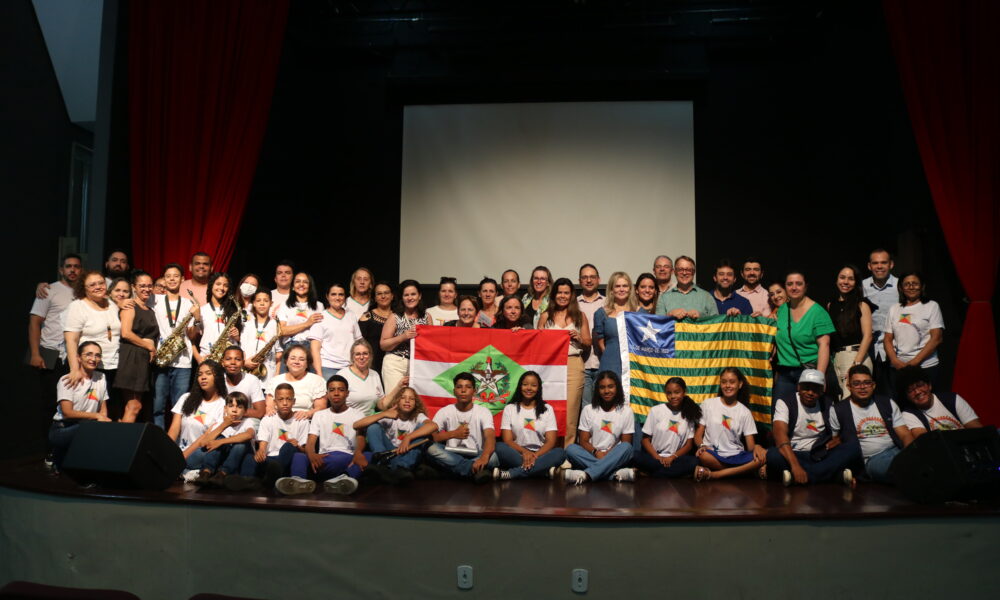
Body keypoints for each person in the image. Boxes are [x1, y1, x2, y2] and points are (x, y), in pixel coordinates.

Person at [764, 369, 861, 487]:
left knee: (853, 447)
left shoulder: (828, 403)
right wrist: (795, 466)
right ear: (798, 387)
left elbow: (838, 434)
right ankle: (830, 476)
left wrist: (837, 440)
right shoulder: (785, 402)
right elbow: (780, 435)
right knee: (773, 455)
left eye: (815, 389)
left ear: (821, 391)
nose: (810, 392)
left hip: (819, 454)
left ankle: (804, 477)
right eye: (806, 388)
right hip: (793, 453)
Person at [278, 375, 370, 496]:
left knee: (367, 455)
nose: (336, 393)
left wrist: (358, 452)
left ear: (347, 393)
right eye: (332, 390)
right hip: (323, 459)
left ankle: (345, 480)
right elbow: (311, 441)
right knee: (299, 456)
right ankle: (299, 482)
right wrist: (311, 455)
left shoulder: (358, 414)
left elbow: (361, 438)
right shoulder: (319, 415)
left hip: (346, 458)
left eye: (341, 390)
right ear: (327, 394)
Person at [829, 365, 913, 483]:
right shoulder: (838, 409)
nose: (862, 387)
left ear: (873, 385)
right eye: (856, 383)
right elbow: (835, 441)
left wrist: (911, 454)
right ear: (849, 387)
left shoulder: (887, 403)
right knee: (898, 469)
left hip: (896, 451)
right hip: (871, 460)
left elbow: (905, 434)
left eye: (867, 383)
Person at [28, 253, 81, 437]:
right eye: (68, 266)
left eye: (76, 266)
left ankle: (68, 443)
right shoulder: (49, 290)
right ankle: (49, 446)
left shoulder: (84, 291)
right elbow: (34, 323)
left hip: (74, 355)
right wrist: (35, 353)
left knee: (73, 402)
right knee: (50, 401)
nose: (72, 270)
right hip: (50, 353)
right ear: (61, 270)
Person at [538, 277, 591, 447]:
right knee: (550, 409)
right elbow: (536, 342)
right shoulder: (546, 316)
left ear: (572, 295)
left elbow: (588, 342)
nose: (562, 296)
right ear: (554, 295)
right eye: (559, 292)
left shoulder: (580, 316)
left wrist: (579, 338)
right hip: (550, 367)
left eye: (566, 293)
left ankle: (567, 451)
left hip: (573, 365)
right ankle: (549, 450)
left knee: (571, 412)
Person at [772, 271, 835, 402]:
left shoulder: (818, 312)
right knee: (780, 409)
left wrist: (820, 377)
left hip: (809, 372)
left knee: (808, 412)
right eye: (790, 284)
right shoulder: (782, 310)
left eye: (798, 284)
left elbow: (824, 345)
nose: (794, 287)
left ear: (805, 286)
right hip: (785, 373)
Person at [354, 386, 438, 483]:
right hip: (388, 453)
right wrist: (383, 414)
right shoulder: (389, 415)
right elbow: (356, 425)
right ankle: (383, 464)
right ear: (397, 401)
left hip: (407, 453)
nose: (407, 401)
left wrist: (408, 437)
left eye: (411, 399)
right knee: (373, 427)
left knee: (423, 430)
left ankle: (400, 468)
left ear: (416, 403)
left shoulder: (418, 416)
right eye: (403, 397)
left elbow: (433, 426)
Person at [564, 371, 635, 484]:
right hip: (592, 453)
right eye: (602, 387)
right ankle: (614, 474)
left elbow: (626, 442)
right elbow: (583, 441)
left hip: (614, 455)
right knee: (571, 449)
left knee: (627, 448)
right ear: (597, 390)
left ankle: (586, 475)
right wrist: (596, 452)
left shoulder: (626, 411)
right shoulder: (588, 409)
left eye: (610, 387)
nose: (606, 391)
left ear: (617, 388)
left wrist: (608, 455)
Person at [151, 263, 200, 429]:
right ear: (164, 279)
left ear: (182, 279)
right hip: (161, 359)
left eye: (176, 276)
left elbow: (192, 336)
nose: (172, 279)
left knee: (179, 408)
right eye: (168, 276)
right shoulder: (154, 300)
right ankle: (158, 438)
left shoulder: (188, 303)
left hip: (183, 362)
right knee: (158, 407)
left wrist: (197, 318)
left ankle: (175, 439)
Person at [693, 368, 764, 481]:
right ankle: (743, 471)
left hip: (737, 456)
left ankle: (715, 475)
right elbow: (697, 435)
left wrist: (758, 447)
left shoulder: (745, 412)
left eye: (732, 382)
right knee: (703, 456)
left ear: (740, 384)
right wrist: (701, 446)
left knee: (763, 456)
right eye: (724, 382)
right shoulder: (708, 404)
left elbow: (751, 446)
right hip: (713, 455)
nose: (727, 385)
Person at [426, 372, 499, 483]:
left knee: (493, 457)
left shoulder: (483, 412)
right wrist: (453, 434)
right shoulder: (445, 411)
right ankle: (472, 470)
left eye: (468, 387)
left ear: (474, 391)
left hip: (476, 453)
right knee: (430, 448)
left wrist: (484, 457)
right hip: (452, 453)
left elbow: (490, 437)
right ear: (454, 391)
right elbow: (433, 437)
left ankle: (452, 471)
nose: (463, 390)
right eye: (459, 387)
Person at [493, 372, 567, 480]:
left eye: (533, 385)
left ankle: (512, 473)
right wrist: (525, 452)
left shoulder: (547, 409)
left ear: (539, 388)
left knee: (560, 453)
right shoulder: (510, 408)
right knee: (499, 446)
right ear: (520, 386)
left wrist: (534, 456)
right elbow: (507, 440)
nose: (529, 388)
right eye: (525, 384)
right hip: (517, 454)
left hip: (540, 454)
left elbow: (551, 441)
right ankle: (542, 470)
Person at [49, 342, 111, 469]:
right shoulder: (67, 379)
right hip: (63, 428)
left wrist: (102, 421)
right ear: (78, 357)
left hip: (87, 425)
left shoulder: (101, 377)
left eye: (97, 355)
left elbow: (103, 410)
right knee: (89, 430)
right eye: (89, 354)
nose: (93, 359)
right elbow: (67, 413)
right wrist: (96, 416)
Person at [63, 271, 121, 404]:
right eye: (92, 285)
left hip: (114, 366)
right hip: (89, 367)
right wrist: (75, 369)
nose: (98, 287)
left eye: (101, 283)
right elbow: (71, 340)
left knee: (112, 408)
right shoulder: (77, 307)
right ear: (84, 288)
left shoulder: (112, 304)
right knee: (90, 407)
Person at [883, 272, 944, 391]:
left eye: (915, 283)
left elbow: (936, 338)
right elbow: (887, 339)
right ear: (901, 288)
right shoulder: (894, 308)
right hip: (899, 368)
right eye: (907, 284)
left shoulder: (931, 306)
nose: (911, 287)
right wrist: (895, 361)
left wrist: (914, 363)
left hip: (925, 367)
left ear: (922, 286)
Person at [167, 361, 228, 474]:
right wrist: (166, 451)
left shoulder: (223, 405)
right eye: (200, 374)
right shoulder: (186, 398)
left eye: (208, 373)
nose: (203, 377)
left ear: (218, 377)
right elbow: (174, 429)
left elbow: (206, 437)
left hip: (199, 452)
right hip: (179, 451)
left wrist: (183, 456)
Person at [634, 377, 701, 479]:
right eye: (669, 393)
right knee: (635, 455)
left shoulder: (689, 413)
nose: (673, 396)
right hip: (655, 457)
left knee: (694, 461)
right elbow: (645, 440)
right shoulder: (656, 410)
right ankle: (673, 473)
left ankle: (652, 474)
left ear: (684, 392)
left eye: (677, 392)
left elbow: (688, 445)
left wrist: (672, 457)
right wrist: (657, 457)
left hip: (675, 458)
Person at [116, 271, 160, 423]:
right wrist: (150, 347)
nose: (147, 289)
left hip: (142, 361)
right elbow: (126, 333)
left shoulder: (149, 309)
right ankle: (122, 438)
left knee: (137, 406)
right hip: (132, 358)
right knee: (133, 406)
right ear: (133, 287)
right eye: (142, 286)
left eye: (149, 286)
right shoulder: (130, 306)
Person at [191, 391, 259, 489]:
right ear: (225, 409)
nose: (234, 410)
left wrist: (220, 442)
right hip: (224, 458)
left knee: (239, 444)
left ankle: (222, 474)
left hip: (242, 458)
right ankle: (206, 472)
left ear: (245, 411)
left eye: (239, 407)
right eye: (231, 406)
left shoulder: (247, 422)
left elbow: (249, 435)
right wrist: (223, 426)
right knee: (219, 437)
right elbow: (203, 443)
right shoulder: (220, 423)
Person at [827, 265, 875, 398]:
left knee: (853, 400)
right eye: (842, 277)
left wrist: (856, 364)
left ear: (856, 282)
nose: (846, 282)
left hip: (855, 356)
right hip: (837, 358)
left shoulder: (862, 304)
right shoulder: (831, 305)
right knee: (842, 401)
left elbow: (868, 336)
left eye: (851, 279)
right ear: (837, 280)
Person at [249, 383, 310, 488]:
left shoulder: (302, 420)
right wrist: (260, 452)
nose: (285, 403)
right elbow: (263, 446)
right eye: (281, 399)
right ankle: (247, 481)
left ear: (294, 401)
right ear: (275, 402)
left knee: (289, 446)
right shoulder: (268, 419)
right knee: (249, 458)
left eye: (288, 399)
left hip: (289, 460)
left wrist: (297, 446)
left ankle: (270, 479)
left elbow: (305, 450)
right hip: (270, 461)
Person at [896, 366, 982, 438]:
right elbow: (926, 442)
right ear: (906, 396)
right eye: (911, 390)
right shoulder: (908, 414)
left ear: (929, 385)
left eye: (920, 385)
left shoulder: (952, 399)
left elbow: (977, 430)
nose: (917, 392)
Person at [380, 280, 431, 392]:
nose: (410, 298)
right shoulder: (395, 316)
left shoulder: (427, 317)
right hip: (396, 363)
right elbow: (383, 344)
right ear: (402, 298)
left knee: (414, 400)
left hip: (418, 365)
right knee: (395, 399)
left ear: (419, 296)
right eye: (406, 295)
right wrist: (403, 337)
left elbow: (431, 342)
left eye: (413, 294)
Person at [862, 249, 899, 395]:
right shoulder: (861, 287)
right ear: (869, 266)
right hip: (869, 349)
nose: (879, 266)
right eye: (875, 263)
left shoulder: (900, 286)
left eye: (883, 262)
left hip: (896, 349)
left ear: (891, 264)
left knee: (895, 394)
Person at [309, 284, 362, 379]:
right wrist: (319, 374)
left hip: (350, 368)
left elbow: (359, 342)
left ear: (345, 297)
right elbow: (315, 349)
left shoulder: (351, 315)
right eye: (333, 294)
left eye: (341, 294)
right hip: (328, 368)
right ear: (327, 296)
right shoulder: (320, 317)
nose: (337, 298)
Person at [263, 345, 327, 419]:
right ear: (286, 361)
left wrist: (308, 414)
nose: (296, 362)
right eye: (293, 358)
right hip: (279, 419)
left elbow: (321, 407)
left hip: (305, 420)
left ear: (307, 364)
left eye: (301, 359)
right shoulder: (275, 380)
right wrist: (271, 411)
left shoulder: (317, 380)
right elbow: (269, 406)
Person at [591, 272, 634, 380]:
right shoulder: (601, 313)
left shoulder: (640, 313)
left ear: (630, 289)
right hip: (610, 362)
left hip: (634, 364)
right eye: (617, 286)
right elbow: (600, 344)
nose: (621, 289)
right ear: (611, 290)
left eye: (625, 286)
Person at [35, 249, 127, 299]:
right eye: (114, 260)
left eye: (123, 261)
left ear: (127, 266)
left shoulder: (130, 287)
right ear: (106, 264)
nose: (118, 264)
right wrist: (41, 286)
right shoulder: (98, 284)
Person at [194, 272, 241, 363]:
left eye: (225, 285)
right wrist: (198, 358)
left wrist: (237, 336)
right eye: (218, 284)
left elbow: (243, 340)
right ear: (211, 285)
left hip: (230, 359)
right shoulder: (202, 310)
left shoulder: (234, 310)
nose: (222, 288)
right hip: (208, 356)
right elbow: (191, 338)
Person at [655, 256, 718, 320]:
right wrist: (670, 314)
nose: (684, 273)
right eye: (680, 270)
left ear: (694, 272)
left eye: (688, 270)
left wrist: (701, 316)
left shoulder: (706, 297)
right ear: (675, 272)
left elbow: (717, 322)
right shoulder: (664, 298)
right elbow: (658, 323)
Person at [576, 264, 604, 408]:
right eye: (585, 277)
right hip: (582, 364)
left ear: (599, 280)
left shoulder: (608, 303)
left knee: (603, 407)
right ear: (579, 281)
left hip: (603, 364)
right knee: (585, 408)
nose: (588, 280)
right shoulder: (573, 305)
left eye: (592, 277)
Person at [240, 290, 282, 381]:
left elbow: (279, 353)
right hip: (247, 371)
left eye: (266, 301)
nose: (262, 303)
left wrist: (277, 375)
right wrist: (244, 362)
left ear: (271, 303)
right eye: (258, 301)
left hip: (268, 374)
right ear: (254, 303)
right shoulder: (247, 325)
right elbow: (241, 348)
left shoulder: (275, 325)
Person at [276, 272, 324, 348]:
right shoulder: (285, 305)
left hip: (312, 346)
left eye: (305, 282)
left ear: (310, 286)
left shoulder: (319, 306)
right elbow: (281, 331)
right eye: (298, 281)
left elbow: (322, 330)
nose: (301, 284)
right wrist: (307, 324)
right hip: (291, 346)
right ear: (293, 286)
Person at [336, 339, 385, 415]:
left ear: (370, 355)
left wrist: (398, 387)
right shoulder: (342, 375)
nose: (361, 357)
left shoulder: (375, 374)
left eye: (365, 353)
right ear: (352, 356)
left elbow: (381, 405)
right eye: (358, 354)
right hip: (350, 418)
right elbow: (337, 405)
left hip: (370, 417)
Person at [221, 346, 266, 418]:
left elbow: (260, 412)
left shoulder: (252, 380)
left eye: (238, 359)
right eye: (228, 359)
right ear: (222, 362)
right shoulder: (217, 380)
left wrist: (235, 412)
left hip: (245, 420)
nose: (233, 362)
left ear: (243, 363)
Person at [358, 282, 393, 375]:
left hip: (394, 364)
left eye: (386, 293)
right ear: (375, 297)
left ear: (392, 296)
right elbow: (359, 343)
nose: (383, 296)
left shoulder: (399, 316)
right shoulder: (367, 317)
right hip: (372, 364)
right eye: (379, 293)